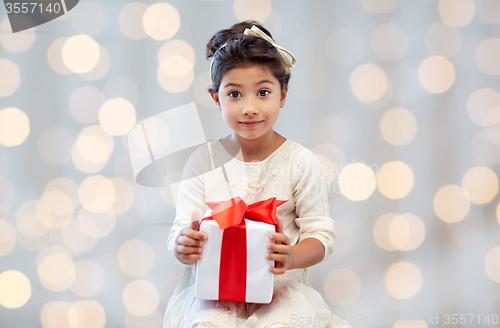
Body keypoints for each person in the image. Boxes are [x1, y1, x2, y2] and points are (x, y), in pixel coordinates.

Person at [164, 20, 351, 328]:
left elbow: (321, 237)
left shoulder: (300, 162)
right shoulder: (203, 161)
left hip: (279, 290)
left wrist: (290, 255)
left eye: (263, 92)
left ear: (283, 94)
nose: (249, 108)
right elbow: (179, 232)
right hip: (214, 292)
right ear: (216, 99)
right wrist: (184, 243)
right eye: (235, 94)